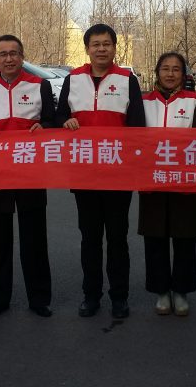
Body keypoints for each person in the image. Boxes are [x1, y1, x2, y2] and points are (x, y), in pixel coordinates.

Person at [56, 23, 145, 319]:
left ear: (114, 48)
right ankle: (91, 295)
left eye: (107, 44)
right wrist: (66, 121)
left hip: (118, 174)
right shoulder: (72, 79)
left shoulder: (127, 80)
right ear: (87, 49)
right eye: (96, 44)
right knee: (90, 239)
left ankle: (119, 297)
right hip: (84, 173)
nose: (101, 49)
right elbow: (58, 117)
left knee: (118, 239)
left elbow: (137, 125)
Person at [0, 35, 55, 318]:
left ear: (22, 56)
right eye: (3, 54)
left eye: (14, 53)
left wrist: (44, 127)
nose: (9, 59)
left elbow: (52, 120)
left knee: (34, 239)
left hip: (30, 170)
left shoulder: (40, 85)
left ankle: (39, 298)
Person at [139, 52, 196, 316]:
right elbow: (134, 140)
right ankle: (161, 291)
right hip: (152, 180)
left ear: (183, 74)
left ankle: (181, 291)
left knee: (184, 237)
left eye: (176, 69)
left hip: (184, 181)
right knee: (155, 237)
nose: (170, 74)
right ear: (157, 72)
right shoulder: (145, 102)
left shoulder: (193, 101)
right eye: (165, 69)